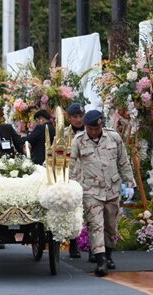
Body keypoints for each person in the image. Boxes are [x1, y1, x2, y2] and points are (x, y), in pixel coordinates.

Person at [70, 110, 135, 277]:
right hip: (91, 190)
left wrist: (129, 182)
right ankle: (101, 261)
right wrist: (71, 185)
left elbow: (123, 161)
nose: (93, 132)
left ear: (102, 125)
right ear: (86, 127)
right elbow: (71, 165)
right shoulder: (78, 141)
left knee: (111, 225)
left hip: (112, 188)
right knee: (96, 225)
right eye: (90, 128)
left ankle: (109, 255)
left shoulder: (114, 138)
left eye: (96, 128)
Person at [66, 102, 86, 259]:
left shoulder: (91, 132)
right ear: (69, 118)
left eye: (81, 116)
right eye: (75, 116)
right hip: (72, 178)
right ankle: (73, 244)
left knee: (92, 213)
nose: (79, 120)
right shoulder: (64, 135)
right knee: (73, 211)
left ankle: (95, 249)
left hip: (90, 178)